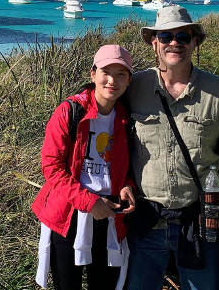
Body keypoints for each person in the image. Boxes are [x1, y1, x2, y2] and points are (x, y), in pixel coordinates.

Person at [124, 6, 219, 290]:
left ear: (195, 42)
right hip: (145, 223)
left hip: (200, 221)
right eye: (166, 36)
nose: (174, 43)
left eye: (183, 36)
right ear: (154, 42)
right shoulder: (135, 86)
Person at [32, 44, 137, 290]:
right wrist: (88, 202)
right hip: (69, 213)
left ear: (130, 80)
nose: (112, 80)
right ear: (93, 75)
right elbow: (51, 166)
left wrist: (128, 186)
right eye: (105, 72)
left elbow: (129, 165)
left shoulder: (127, 118)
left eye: (121, 74)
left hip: (109, 215)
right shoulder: (70, 111)